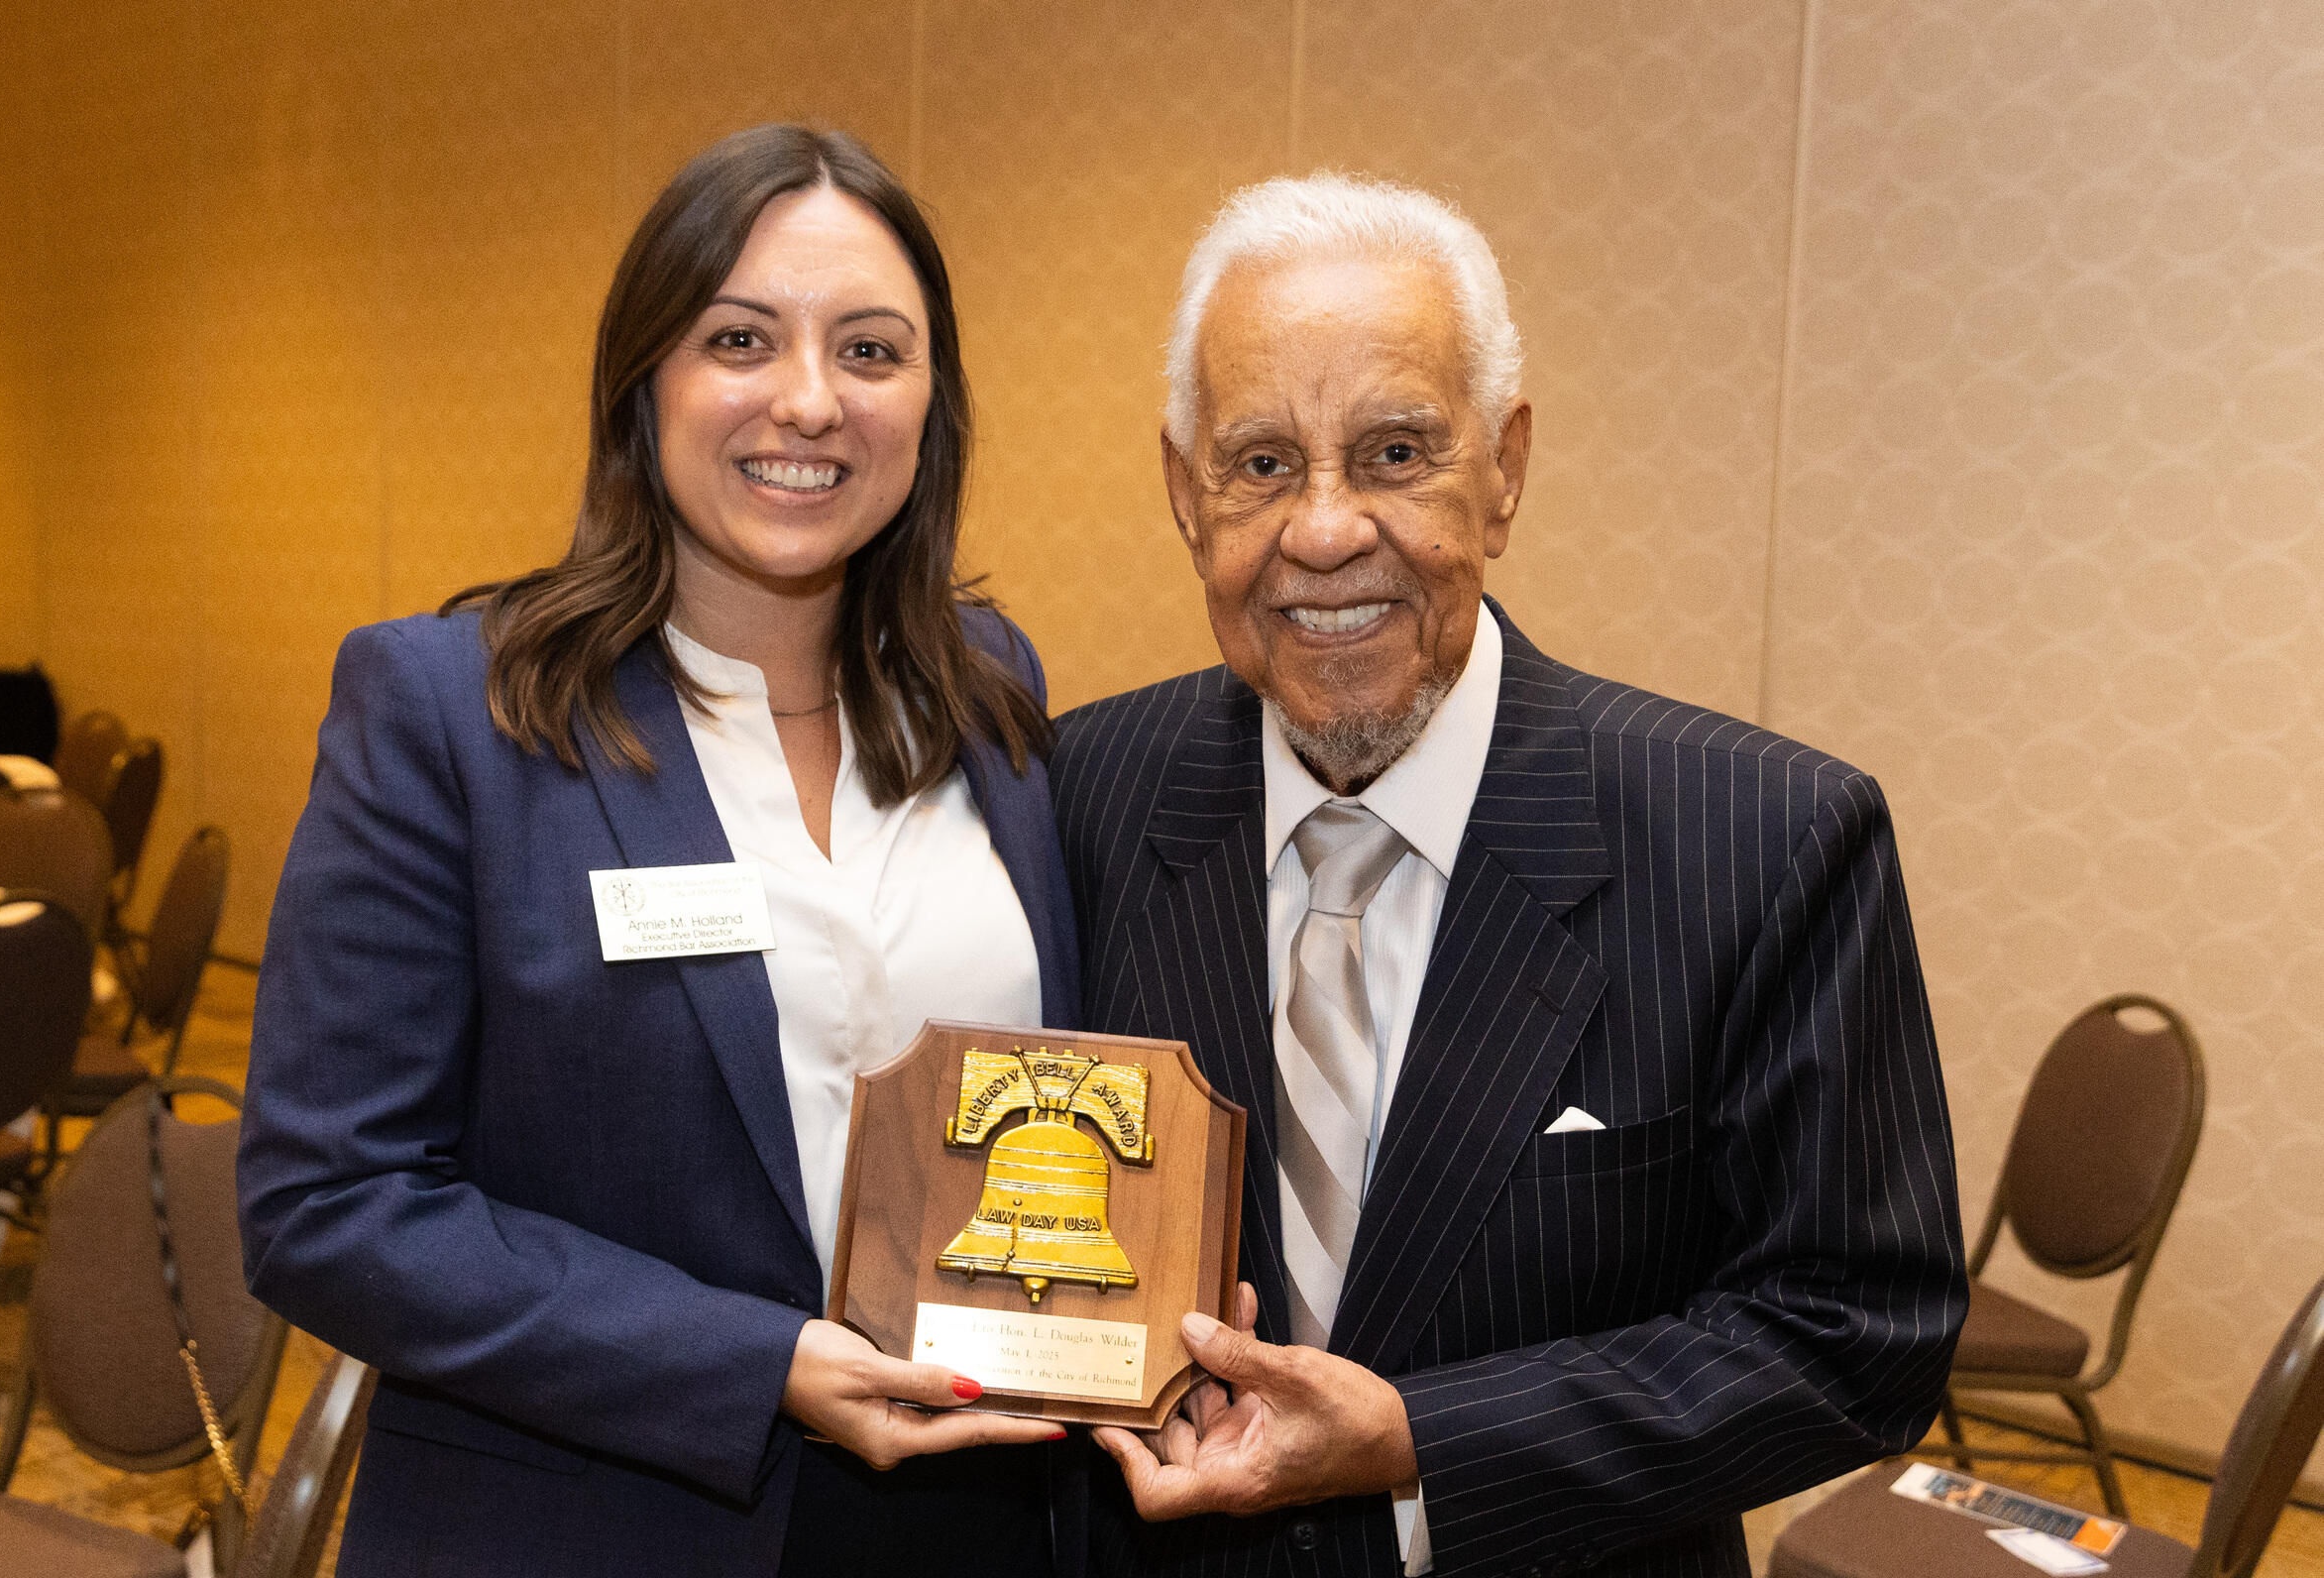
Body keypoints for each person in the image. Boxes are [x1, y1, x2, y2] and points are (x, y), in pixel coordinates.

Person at [1051, 174, 1965, 1577]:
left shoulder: (1766, 839)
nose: (1325, 531)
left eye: (1397, 451)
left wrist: (1427, 1439)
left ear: (1507, 469)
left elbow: (1856, 1327)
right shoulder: (1080, 795)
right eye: (1262, 463)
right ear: (1186, 493)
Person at [238, 125, 1074, 1578]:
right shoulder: (456, 711)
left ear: (932, 406)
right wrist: (757, 1366)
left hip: (973, 1515)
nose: (809, 401)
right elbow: (329, 1207)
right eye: (740, 338)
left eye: (872, 352)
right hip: (588, 1520)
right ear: (645, 383)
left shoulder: (989, 687)